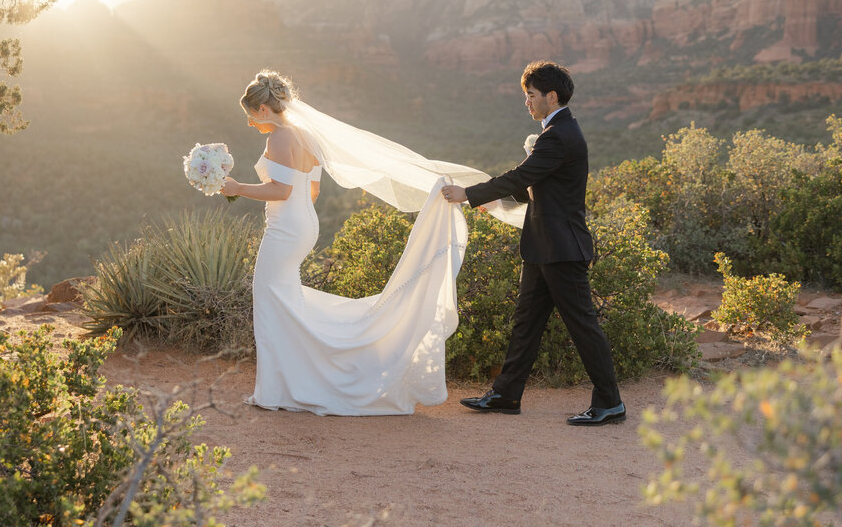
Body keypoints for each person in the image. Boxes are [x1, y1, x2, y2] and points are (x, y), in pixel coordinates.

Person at [220, 70, 502, 416]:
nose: (250, 124)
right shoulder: (306, 135)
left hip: (285, 228)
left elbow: (282, 190)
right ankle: (289, 384)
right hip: (305, 224)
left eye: (250, 115)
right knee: (286, 302)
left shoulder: (278, 139)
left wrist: (237, 188)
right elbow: (313, 190)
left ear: (263, 108)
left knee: (269, 297)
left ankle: (280, 389)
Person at [440, 61, 625, 426]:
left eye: (531, 95)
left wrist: (469, 194)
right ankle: (506, 394)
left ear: (551, 96)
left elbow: (522, 175)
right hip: (544, 246)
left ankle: (610, 402)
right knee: (526, 322)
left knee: (583, 326)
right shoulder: (558, 131)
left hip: (562, 249)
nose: (527, 102)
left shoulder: (558, 134)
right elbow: (540, 185)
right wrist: (500, 199)